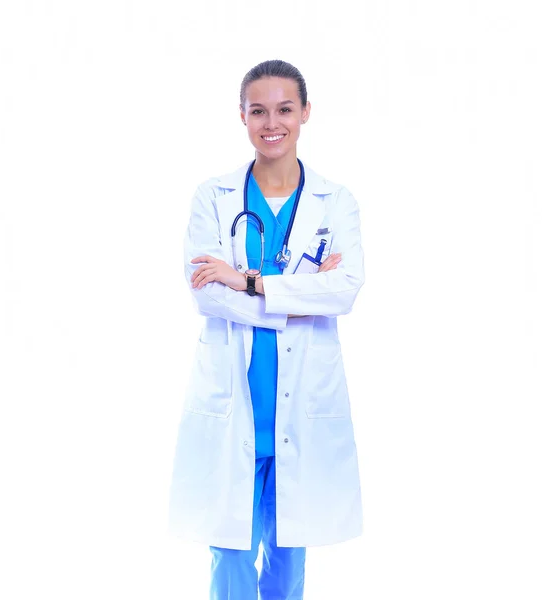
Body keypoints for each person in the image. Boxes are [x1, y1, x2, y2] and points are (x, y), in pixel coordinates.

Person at [168, 59, 365, 600]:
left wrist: (248, 282)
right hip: (234, 401)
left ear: (305, 113)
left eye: (284, 109)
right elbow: (206, 293)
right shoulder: (214, 197)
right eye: (258, 110)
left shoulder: (335, 201)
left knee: (287, 555)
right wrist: (300, 293)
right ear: (242, 116)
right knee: (228, 552)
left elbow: (345, 289)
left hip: (302, 404)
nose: (271, 122)